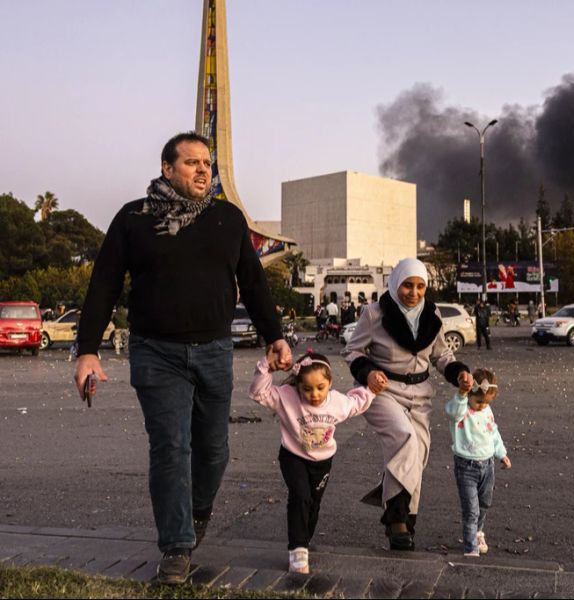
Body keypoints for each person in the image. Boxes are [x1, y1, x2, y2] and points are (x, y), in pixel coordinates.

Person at [72, 131, 292, 585]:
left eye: (207, 163)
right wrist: (89, 350)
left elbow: (252, 283)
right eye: (191, 162)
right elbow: (104, 284)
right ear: (167, 168)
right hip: (156, 354)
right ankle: (176, 546)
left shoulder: (228, 219)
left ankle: (195, 514)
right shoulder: (134, 218)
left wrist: (275, 336)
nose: (203, 170)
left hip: (214, 351)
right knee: (170, 448)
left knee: (214, 451)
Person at [342, 258, 474, 550]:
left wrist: (460, 374)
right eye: (407, 285)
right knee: (404, 439)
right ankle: (396, 521)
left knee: (418, 456)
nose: (413, 292)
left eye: (419, 286)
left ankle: (406, 521)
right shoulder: (374, 313)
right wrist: (368, 373)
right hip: (383, 390)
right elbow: (352, 351)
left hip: (420, 394)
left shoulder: (433, 314)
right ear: (395, 283)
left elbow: (442, 357)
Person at [249, 349, 375, 574]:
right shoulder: (287, 396)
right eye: (306, 389)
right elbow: (259, 393)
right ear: (297, 385)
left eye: (320, 388)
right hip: (293, 456)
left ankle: (304, 540)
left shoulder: (337, 402)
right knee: (300, 497)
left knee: (313, 503)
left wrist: (373, 388)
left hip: (322, 462)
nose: (314, 395)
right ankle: (297, 550)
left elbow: (357, 402)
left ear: (330, 383)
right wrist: (265, 366)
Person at [445, 368, 511, 557]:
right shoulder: (461, 408)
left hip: (488, 465)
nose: (482, 406)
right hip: (466, 466)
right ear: (470, 395)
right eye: (479, 401)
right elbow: (453, 412)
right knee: (471, 509)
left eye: (487, 402)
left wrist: (502, 453)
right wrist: (462, 394)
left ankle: (478, 532)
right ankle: (471, 547)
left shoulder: (487, 410)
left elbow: (493, 432)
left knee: (484, 503)